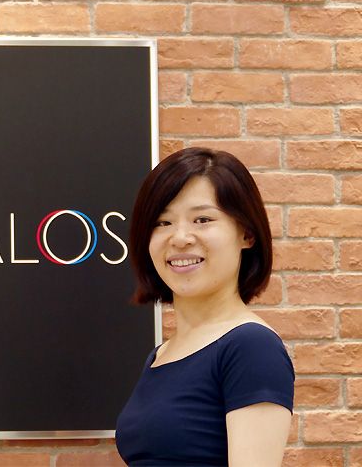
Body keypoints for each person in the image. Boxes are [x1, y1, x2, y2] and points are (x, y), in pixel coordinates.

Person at [115, 147, 294, 466]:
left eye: (202, 219)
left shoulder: (251, 347)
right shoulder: (160, 354)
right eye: (162, 222)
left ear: (247, 233)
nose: (180, 238)